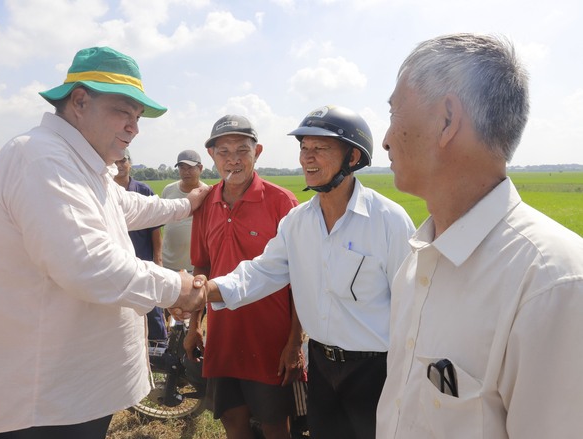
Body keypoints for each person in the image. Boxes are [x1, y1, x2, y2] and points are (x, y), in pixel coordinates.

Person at [0, 46, 209, 438]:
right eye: (123, 111)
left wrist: (186, 205)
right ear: (79, 101)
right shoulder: (41, 157)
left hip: (69, 392)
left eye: (138, 117)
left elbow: (126, 206)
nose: (134, 127)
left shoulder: (79, 164)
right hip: (41, 405)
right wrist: (176, 286)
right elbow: (88, 263)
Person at [375, 33, 583, 438]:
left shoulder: (552, 284)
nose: (384, 139)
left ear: (448, 120)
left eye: (394, 112)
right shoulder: (417, 261)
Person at [196, 106, 416, 438]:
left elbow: (412, 306)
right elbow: (260, 272)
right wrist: (205, 290)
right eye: (303, 148)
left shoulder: (389, 220)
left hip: (375, 370)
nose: (307, 158)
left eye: (320, 148)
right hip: (322, 368)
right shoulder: (297, 223)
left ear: (353, 156)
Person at [184, 115, 305, 439]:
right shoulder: (207, 202)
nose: (233, 160)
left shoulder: (283, 202)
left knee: (275, 424)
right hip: (223, 337)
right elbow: (202, 266)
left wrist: (294, 342)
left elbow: (302, 280)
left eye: (242, 150)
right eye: (223, 151)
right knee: (232, 421)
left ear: (258, 152)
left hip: (270, 339)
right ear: (211, 155)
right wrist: (195, 325)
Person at [114, 148, 167, 347]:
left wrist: (158, 260)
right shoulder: (104, 191)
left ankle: (160, 348)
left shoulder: (143, 191)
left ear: (129, 163)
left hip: (143, 259)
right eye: (116, 162)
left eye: (123, 161)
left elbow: (155, 229)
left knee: (152, 307)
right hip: (117, 263)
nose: (119, 166)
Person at [161, 149, 206, 273]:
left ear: (200, 168)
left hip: (196, 267)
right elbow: (159, 224)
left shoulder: (207, 193)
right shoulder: (168, 190)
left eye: (190, 168)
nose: (186, 172)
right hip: (168, 265)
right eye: (182, 168)